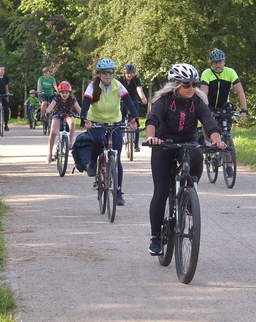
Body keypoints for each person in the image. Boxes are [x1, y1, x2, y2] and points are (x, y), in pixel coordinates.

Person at [144, 63, 227, 256]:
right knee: (161, 191)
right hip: (163, 145)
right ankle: (155, 236)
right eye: (187, 84)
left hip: (187, 143)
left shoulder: (197, 102)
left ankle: (190, 190)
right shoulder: (164, 101)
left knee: (197, 152)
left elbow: (210, 123)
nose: (192, 88)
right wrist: (151, 138)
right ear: (176, 85)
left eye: (194, 84)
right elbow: (152, 120)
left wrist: (217, 142)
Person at [80, 59, 139, 206]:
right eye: (105, 72)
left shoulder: (117, 85)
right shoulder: (92, 86)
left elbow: (129, 102)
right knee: (98, 140)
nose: (108, 75)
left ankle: (118, 192)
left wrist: (135, 118)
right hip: (97, 121)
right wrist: (84, 119)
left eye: (111, 71)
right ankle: (92, 163)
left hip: (115, 122)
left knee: (117, 158)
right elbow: (86, 103)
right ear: (99, 74)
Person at [43, 81, 82, 162]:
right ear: (59, 93)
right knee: (53, 132)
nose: (64, 95)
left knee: (72, 122)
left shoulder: (72, 98)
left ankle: (71, 143)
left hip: (67, 115)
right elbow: (50, 107)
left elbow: (79, 109)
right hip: (57, 115)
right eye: (62, 93)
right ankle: (49, 153)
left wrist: (84, 116)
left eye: (66, 93)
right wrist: (48, 111)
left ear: (70, 93)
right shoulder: (57, 98)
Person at [199, 48, 248, 113]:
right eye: (215, 62)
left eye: (220, 61)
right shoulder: (206, 73)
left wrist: (244, 109)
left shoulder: (230, 72)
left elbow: (240, 92)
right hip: (210, 107)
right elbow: (204, 93)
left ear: (224, 61)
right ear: (211, 63)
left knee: (227, 122)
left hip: (225, 108)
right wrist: (204, 109)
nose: (218, 64)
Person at [119, 63, 148, 151]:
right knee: (120, 121)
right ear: (124, 73)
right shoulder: (120, 80)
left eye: (131, 73)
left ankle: (136, 145)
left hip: (133, 100)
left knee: (136, 121)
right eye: (127, 73)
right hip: (123, 100)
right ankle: (120, 139)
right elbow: (116, 90)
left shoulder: (136, 80)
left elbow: (139, 90)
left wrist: (143, 98)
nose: (129, 74)